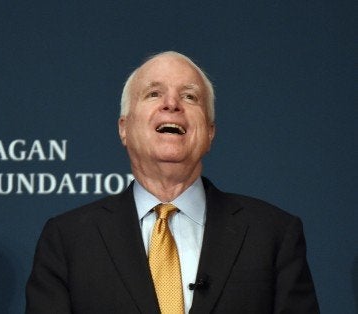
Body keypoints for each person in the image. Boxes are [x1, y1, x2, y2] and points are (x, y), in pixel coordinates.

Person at [25, 51, 319, 313]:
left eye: (190, 96)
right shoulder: (68, 240)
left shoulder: (273, 234)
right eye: (153, 93)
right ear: (124, 129)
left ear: (210, 131)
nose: (171, 104)